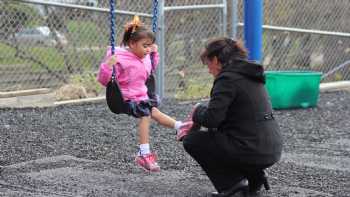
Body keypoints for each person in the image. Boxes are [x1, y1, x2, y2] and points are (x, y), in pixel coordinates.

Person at [176, 37, 283, 197]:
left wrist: (197, 112)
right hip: (271, 147)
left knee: (193, 141)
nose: (208, 70)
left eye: (208, 64)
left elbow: (213, 119)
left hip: (252, 148)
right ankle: (254, 178)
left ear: (217, 60)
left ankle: (233, 185)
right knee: (224, 137)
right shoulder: (250, 75)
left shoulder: (227, 79)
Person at [97, 16, 192, 172]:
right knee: (146, 114)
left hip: (141, 95)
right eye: (145, 46)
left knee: (154, 112)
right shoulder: (119, 58)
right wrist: (108, 66)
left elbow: (150, 69)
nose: (148, 49)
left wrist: (154, 55)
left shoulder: (145, 56)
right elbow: (104, 80)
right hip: (125, 98)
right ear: (132, 44)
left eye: (150, 45)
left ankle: (179, 126)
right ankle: (144, 153)